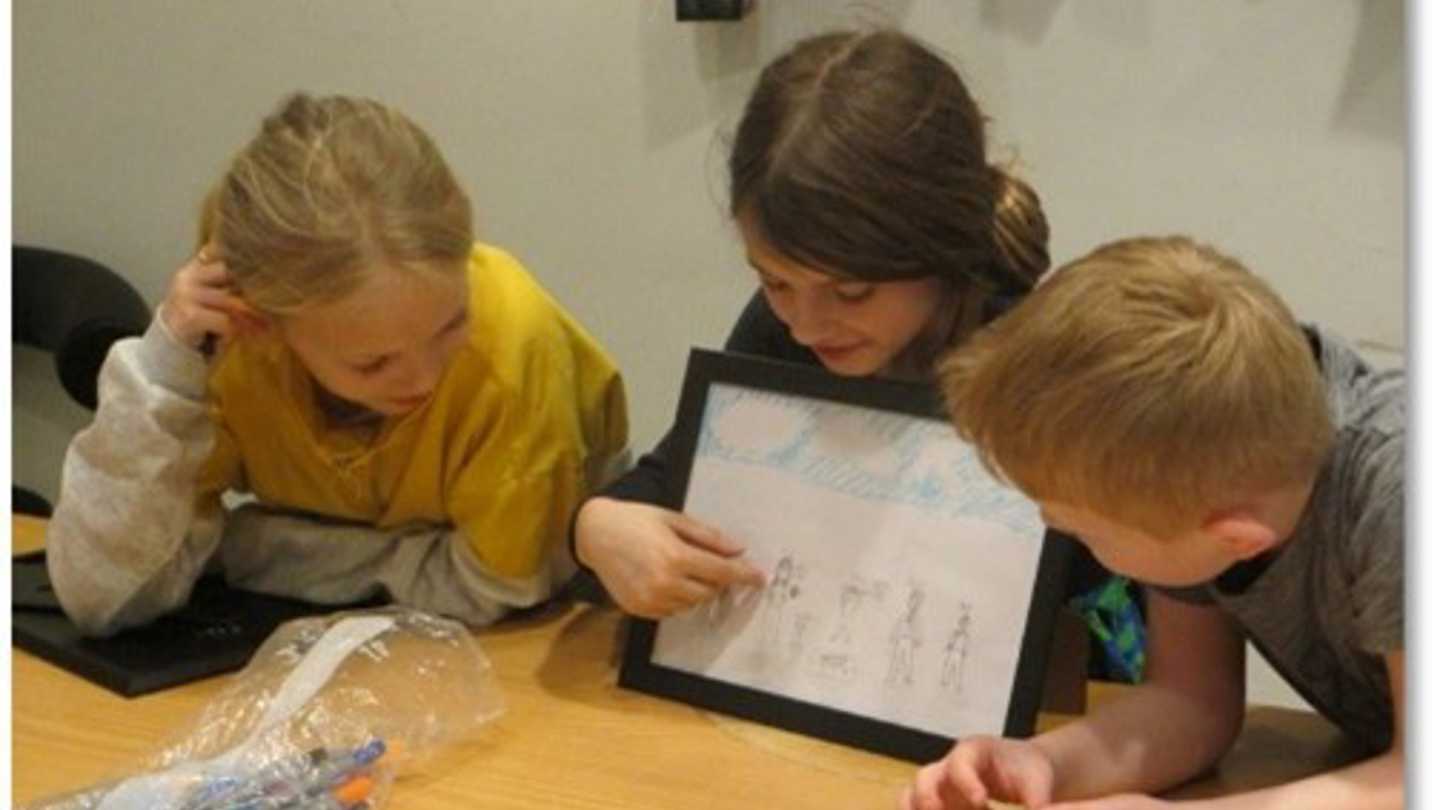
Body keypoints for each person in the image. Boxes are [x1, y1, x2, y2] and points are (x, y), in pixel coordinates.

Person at [570, 28, 1110, 620]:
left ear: (942, 251)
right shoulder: (780, 331)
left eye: (852, 292)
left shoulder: (1036, 366)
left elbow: (1107, 579)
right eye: (773, 282)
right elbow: (677, 477)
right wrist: (597, 528)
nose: (806, 326)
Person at [47, 93, 629, 636]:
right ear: (268, 329)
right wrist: (162, 369)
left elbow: (498, 587)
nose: (424, 379)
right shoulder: (230, 338)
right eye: (372, 363)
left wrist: (256, 547)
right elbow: (103, 597)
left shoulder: (514, 344)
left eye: (452, 324)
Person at [906, 236, 1402, 809]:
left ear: (1236, 540)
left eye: (1086, 533)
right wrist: (1044, 762)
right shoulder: (1208, 463)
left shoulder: (1400, 494)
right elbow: (1191, 702)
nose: (1057, 531)